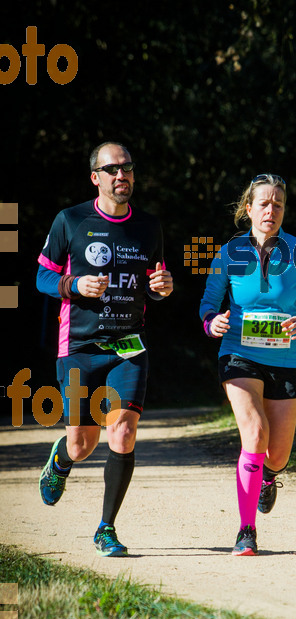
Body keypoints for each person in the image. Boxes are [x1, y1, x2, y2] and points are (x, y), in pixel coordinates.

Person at [36, 141, 173, 556]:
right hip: (78, 346)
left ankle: (105, 528)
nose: (122, 176)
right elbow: (42, 278)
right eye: (112, 169)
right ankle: (61, 460)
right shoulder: (70, 220)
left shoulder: (149, 227)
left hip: (128, 347)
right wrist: (73, 285)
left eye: (127, 168)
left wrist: (163, 288)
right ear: (96, 177)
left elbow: (157, 282)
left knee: (124, 432)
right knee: (82, 443)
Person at [200, 173, 296, 556]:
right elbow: (208, 304)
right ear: (249, 208)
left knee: (278, 454)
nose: (271, 210)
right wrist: (213, 322)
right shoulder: (229, 252)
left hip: (286, 358)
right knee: (254, 435)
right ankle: (246, 531)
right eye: (264, 203)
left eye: (278, 204)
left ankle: (269, 477)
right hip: (239, 353)